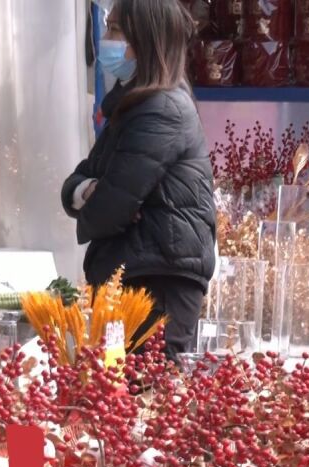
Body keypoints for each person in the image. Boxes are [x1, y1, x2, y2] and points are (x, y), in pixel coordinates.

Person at [62, 0, 216, 357]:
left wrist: (95, 199)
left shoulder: (161, 109)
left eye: (114, 29)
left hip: (156, 285)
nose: (104, 38)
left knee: (146, 401)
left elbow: (107, 212)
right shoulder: (132, 106)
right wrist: (87, 190)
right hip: (136, 276)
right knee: (121, 399)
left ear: (144, 41)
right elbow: (78, 180)